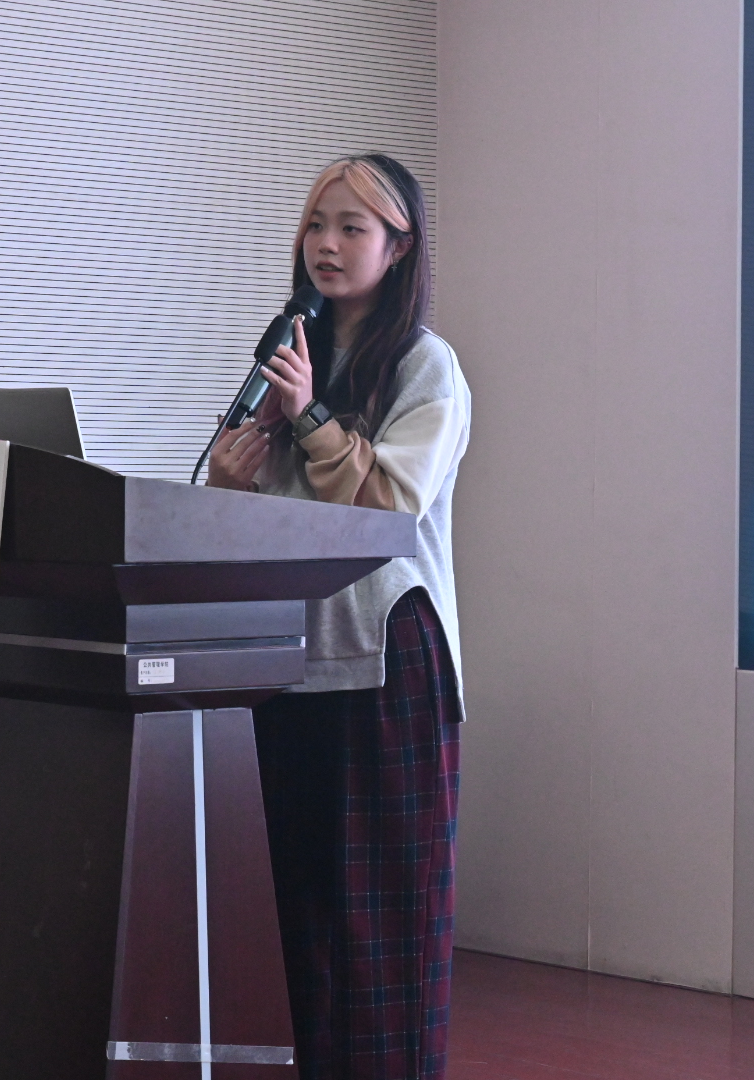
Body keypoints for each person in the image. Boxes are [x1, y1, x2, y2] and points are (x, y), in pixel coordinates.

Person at [206, 153, 471, 1080]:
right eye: (316, 223)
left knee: (380, 915)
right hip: (286, 655)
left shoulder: (426, 365)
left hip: (385, 658)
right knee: (299, 910)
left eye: (351, 228)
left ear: (399, 248)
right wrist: (229, 480)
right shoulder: (292, 354)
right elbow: (265, 518)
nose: (325, 243)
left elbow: (389, 508)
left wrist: (309, 414)